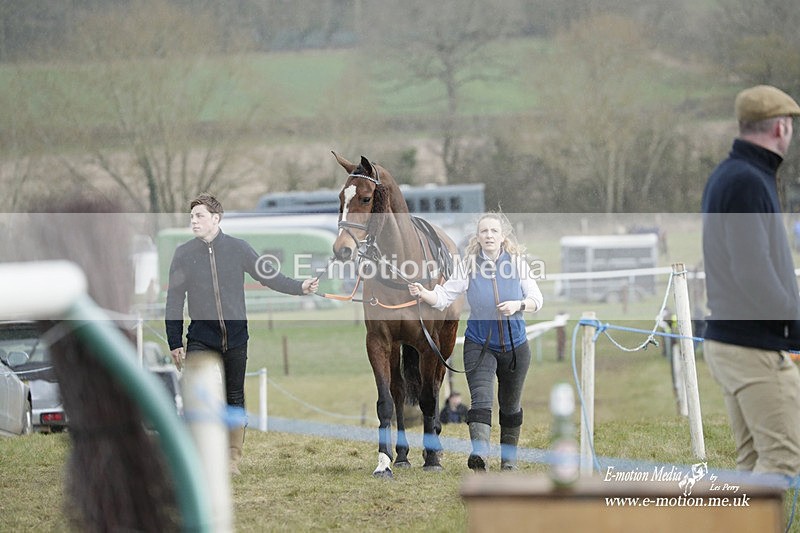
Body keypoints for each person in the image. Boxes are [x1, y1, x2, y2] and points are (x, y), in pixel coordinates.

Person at [165, 193, 318, 475]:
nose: (194, 221)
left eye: (199, 216)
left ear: (216, 218)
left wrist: (300, 287)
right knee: (198, 395)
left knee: (234, 397)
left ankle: (232, 459)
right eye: (191, 217)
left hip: (236, 338)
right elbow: (174, 300)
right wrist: (174, 341)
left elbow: (269, 276)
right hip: (200, 338)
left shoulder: (239, 249)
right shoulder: (183, 254)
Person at [701, 85, 800, 478]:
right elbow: (753, 272)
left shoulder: (735, 174)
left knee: (752, 462)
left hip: (734, 342)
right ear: (780, 128)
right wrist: (793, 325)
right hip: (751, 347)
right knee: (782, 460)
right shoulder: (747, 180)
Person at [409, 212, 543, 471]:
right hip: (479, 345)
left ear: (502, 236)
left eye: (494, 231)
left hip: (516, 347)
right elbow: (445, 297)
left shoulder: (517, 263)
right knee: (481, 400)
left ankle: (508, 463)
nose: (489, 235)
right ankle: (479, 454)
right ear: (478, 237)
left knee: (510, 407)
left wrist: (519, 304)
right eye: (484, 231)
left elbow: (537, 299)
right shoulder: (468, 265)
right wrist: (423, 293)